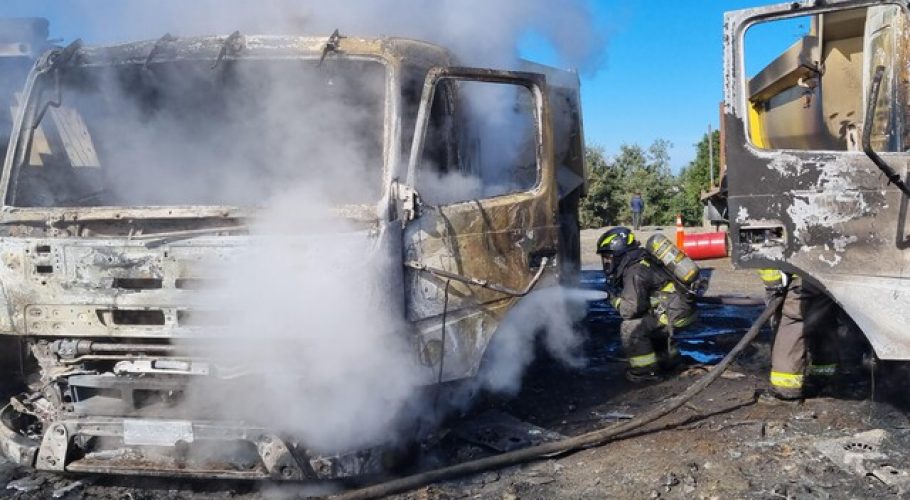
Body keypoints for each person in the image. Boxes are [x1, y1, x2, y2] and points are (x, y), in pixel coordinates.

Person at [597, 227, 697, 382]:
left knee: (631, 327)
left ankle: (645, 371)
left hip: (674, 315)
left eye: (608, 257)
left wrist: (614, 300)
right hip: (680, 309)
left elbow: (630, 310)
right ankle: (668, 361)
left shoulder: (634, 271)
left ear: (618, 254)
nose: (606, 262)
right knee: (649, 320)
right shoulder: (642, 259)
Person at [760, 270, 848, 400]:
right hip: (833, 274)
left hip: (802, 277)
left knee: (791, 325)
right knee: (824, 320)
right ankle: (824, 379)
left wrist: (774, 284)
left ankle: (786, 389)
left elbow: (766, 256)